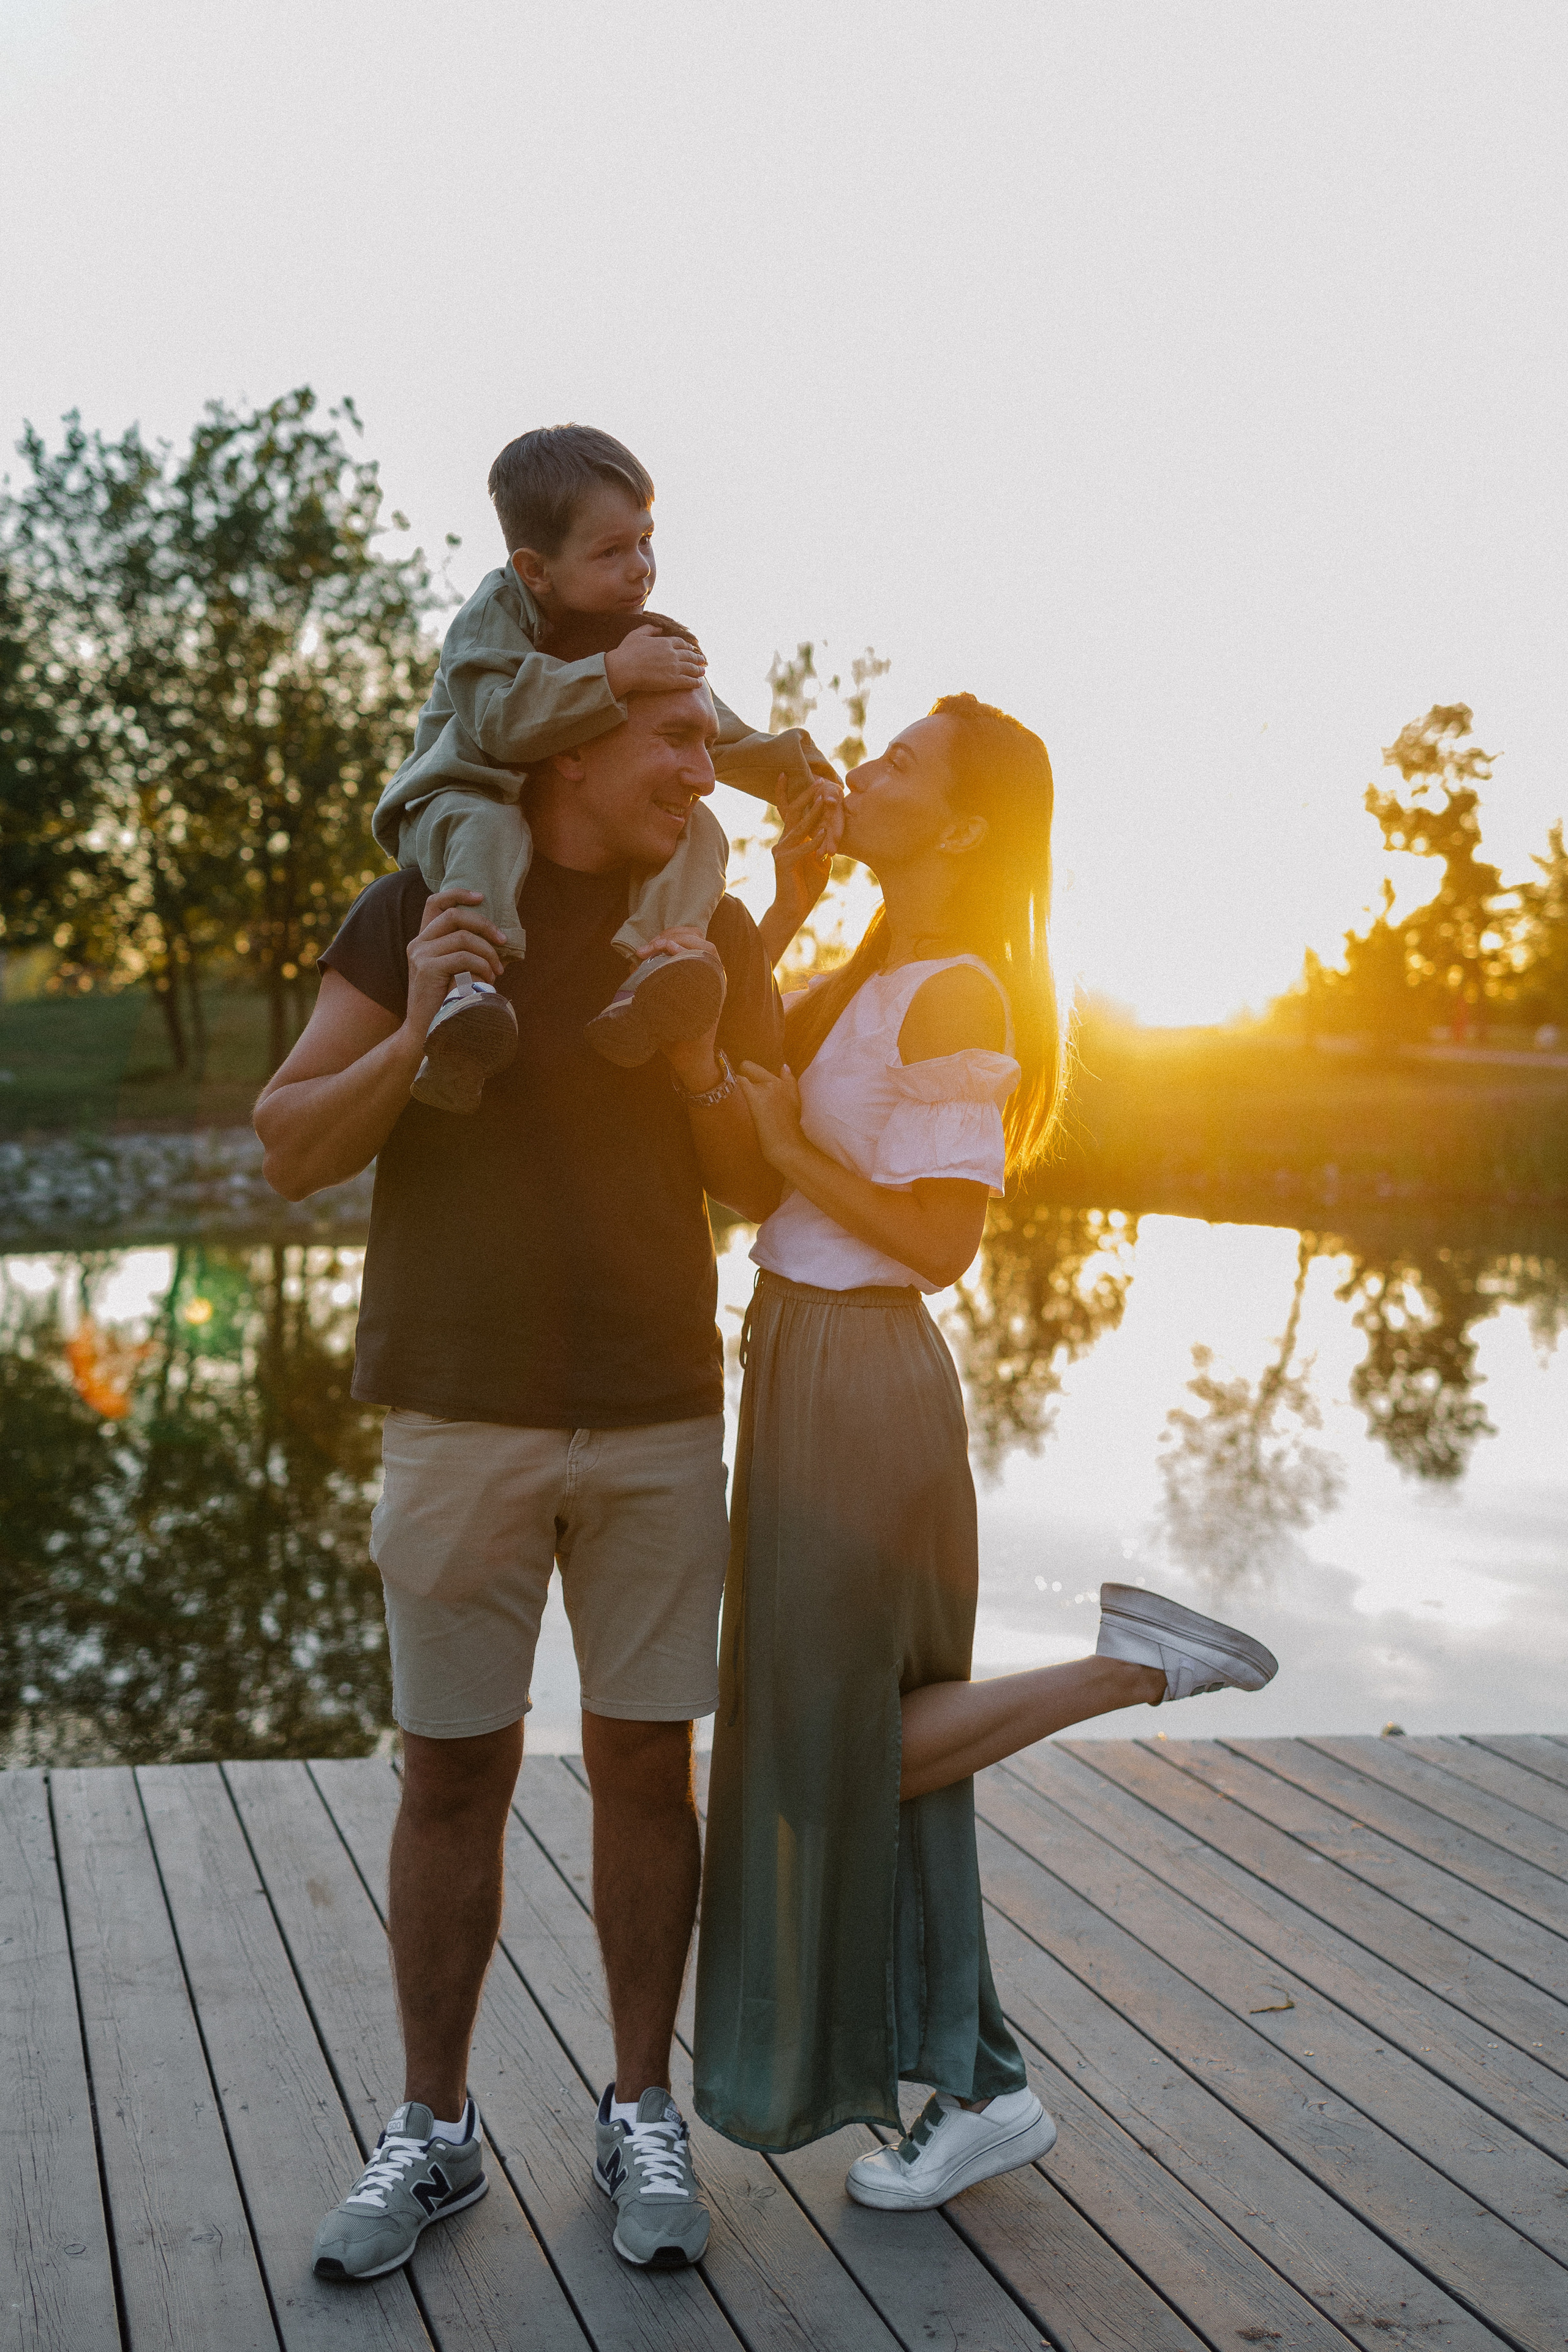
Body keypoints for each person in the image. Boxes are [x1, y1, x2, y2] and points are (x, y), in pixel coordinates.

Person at [255, 625, 800, 2282]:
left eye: (713, 748)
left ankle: (645, 2107)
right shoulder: (425, 906)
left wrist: (706, 1047)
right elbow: (287, 1147)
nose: (706, 777)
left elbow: (759, 1184)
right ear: (572, 747)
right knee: (451, 1777)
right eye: (678, 749)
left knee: (650, 1771)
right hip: (455, 1412)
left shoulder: (699, 915)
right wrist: (420, 1031)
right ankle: (434, 2127)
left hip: (655, 1411)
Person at [689, 695, 1280, 2204]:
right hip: (800, 1358)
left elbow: (941, 1242)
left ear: (957, 826)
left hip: (864, 1375)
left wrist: (791, 1157)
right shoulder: (880, 964)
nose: (861, 767)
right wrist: (804, 889)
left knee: (836, 1744)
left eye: (895, 762)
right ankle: (974, 2078)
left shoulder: (959, 991)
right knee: (840, 1734)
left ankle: (1130, 1665)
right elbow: (751, 1062)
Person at [372, 424, 838, 1110]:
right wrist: (615, 672)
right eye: (612, 551)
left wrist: (803, 779)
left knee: (700, 832)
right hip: (460, 793)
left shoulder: (634, 636)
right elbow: (500, 724)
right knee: (489, 829)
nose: (639, 570)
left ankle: (657, 970)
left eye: (646, 541)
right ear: (535, 569)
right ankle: (471, 991)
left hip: (541, 797)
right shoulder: (496, 617)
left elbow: (718, 738)